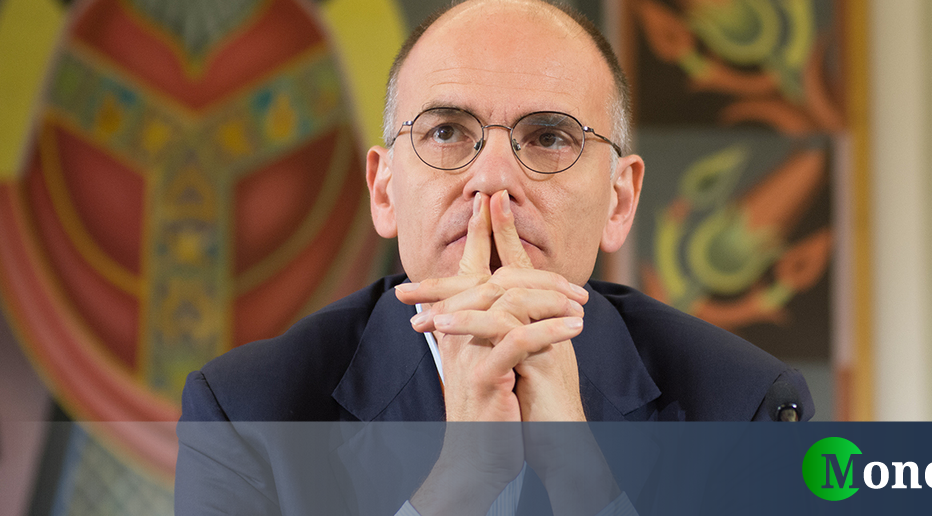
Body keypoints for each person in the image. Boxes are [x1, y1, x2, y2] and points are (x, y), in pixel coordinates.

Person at [175, 1, 814, 514]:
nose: (493, 179)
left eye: (549, 137)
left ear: (619, 201)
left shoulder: (746, 407)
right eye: (446, 132)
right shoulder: (245, 412)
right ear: (384, 191)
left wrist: (581, 477)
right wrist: (461, 480)